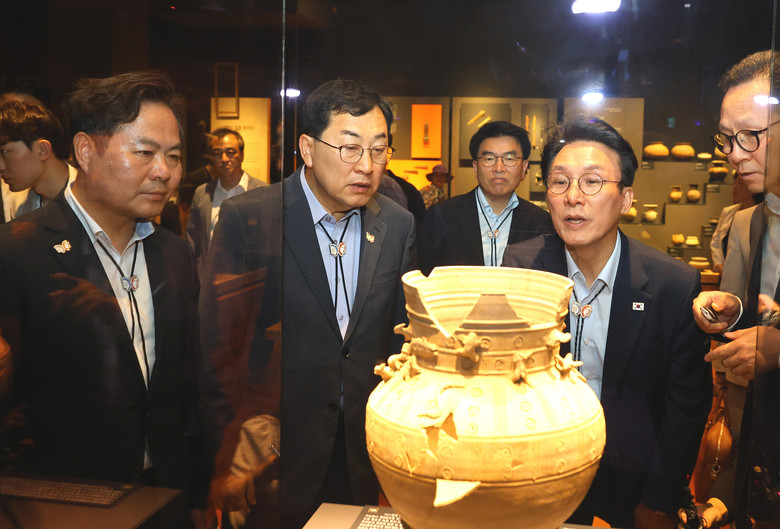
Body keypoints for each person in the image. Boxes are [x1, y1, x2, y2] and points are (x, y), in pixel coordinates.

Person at [199, 78, 415, 529]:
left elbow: (400, 345)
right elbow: (217, 350)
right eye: (350, 148)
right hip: (272, 455)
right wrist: (226, 451)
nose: (366, 166)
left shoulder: (397, 225)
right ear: (308, 148)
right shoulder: (252, 218)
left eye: (379, 150)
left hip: (360, 454)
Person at [0, 71, 204, 521]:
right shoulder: (17, 252)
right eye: (145, 153)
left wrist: (198, 494)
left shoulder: (174, 253)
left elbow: (185, 388)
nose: (164, 172)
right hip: (63, 505)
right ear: (86, 151)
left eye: (173, 156)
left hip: (166, 496)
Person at [502, 116, 711, 529]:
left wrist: (658, 501)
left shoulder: (672, 285)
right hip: (540, 476)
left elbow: (684, 409)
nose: (573, 197)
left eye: (592, 182)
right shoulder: (520, 269)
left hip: (633, 483)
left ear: (626, 198)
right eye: (559, 182)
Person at [687, 50, 780, 529]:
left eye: (750, 136)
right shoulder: (750, 223)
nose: (735, 153)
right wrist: (734, 310)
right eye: (727, 138)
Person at [419, 120, 553, 275]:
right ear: (475, 167)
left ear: (524, 168)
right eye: (489, 159)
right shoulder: (441, 216)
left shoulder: (542, 223)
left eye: (509, 158)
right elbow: (426, 279)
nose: (499, 168)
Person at [186, 128, 265, 279]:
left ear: (242, 155)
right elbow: (192, 241)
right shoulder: (202, 194)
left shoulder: (262, 192)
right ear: (211, 158)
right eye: (217, 153)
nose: (224, 158)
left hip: (250, 281)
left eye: (230, 152)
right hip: (209, 281)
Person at [0, 101, 76, 218]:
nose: (1, 166)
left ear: (42, 150)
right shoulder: (21, 207)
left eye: (5, 152)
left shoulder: (93, 196)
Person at [710, 175, 760, 275]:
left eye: (740, 183)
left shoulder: (762, 215)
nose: (735, 187)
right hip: (725, 274)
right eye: (734, 183)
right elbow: (716, 242)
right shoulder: (728, 211)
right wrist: (720, 267)